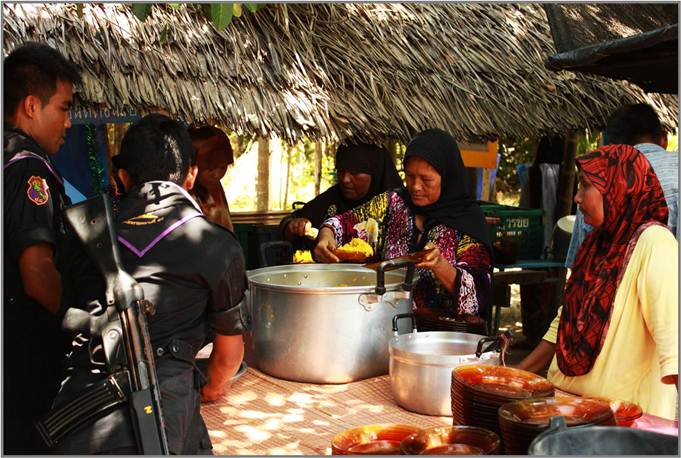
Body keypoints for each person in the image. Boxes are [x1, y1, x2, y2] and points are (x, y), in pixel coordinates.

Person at [49, 114, 250, 454]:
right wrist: (212, 388)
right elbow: (229, 354)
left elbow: (61, 312)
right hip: (164, 418)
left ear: (123, 177)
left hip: (78, 416)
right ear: (191, 174)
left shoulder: (82, 237)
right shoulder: (217, 245)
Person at [517, 144, 677, 420]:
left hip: (621, 425)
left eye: (586, 186)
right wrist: (515, 377)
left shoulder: (655, 244)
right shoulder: (596, 244)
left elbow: (674, 346)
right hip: (568, 409)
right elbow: (565, 322)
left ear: (618, 187)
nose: (577, 197)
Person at [314, 129, 492, 329]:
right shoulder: (394, 203)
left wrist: (440, 265)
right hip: (385, 326)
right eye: (409, 176)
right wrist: (327, 234)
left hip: (442, 336)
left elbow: (478, 297)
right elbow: (345, 221)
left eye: (426, 180)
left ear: (447, 177)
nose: (415, 186)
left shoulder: (467, 221)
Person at [3, 42, 84, 454]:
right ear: (32, 105)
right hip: (23, 359)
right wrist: (80, 322)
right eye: (64, 108)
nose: (68, 122)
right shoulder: (28, 168)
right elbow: (37, 273)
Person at [565, 103, 678, 268]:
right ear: (664, 139)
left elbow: (579, 263)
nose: (576, 198)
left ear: (612, 148)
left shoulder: (598, 183)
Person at [280, 141, 403, 251]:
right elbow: (293, 222)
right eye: (341, 171)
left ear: (375, 173)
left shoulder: (398, 207)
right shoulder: (332, 198)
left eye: (354, 172)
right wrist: (293, 227)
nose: (345, 179)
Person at [189, 125, 235, 231]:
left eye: (223, 168)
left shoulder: (214, 185)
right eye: (210, 169)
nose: (216, 175)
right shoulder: (187, 193)